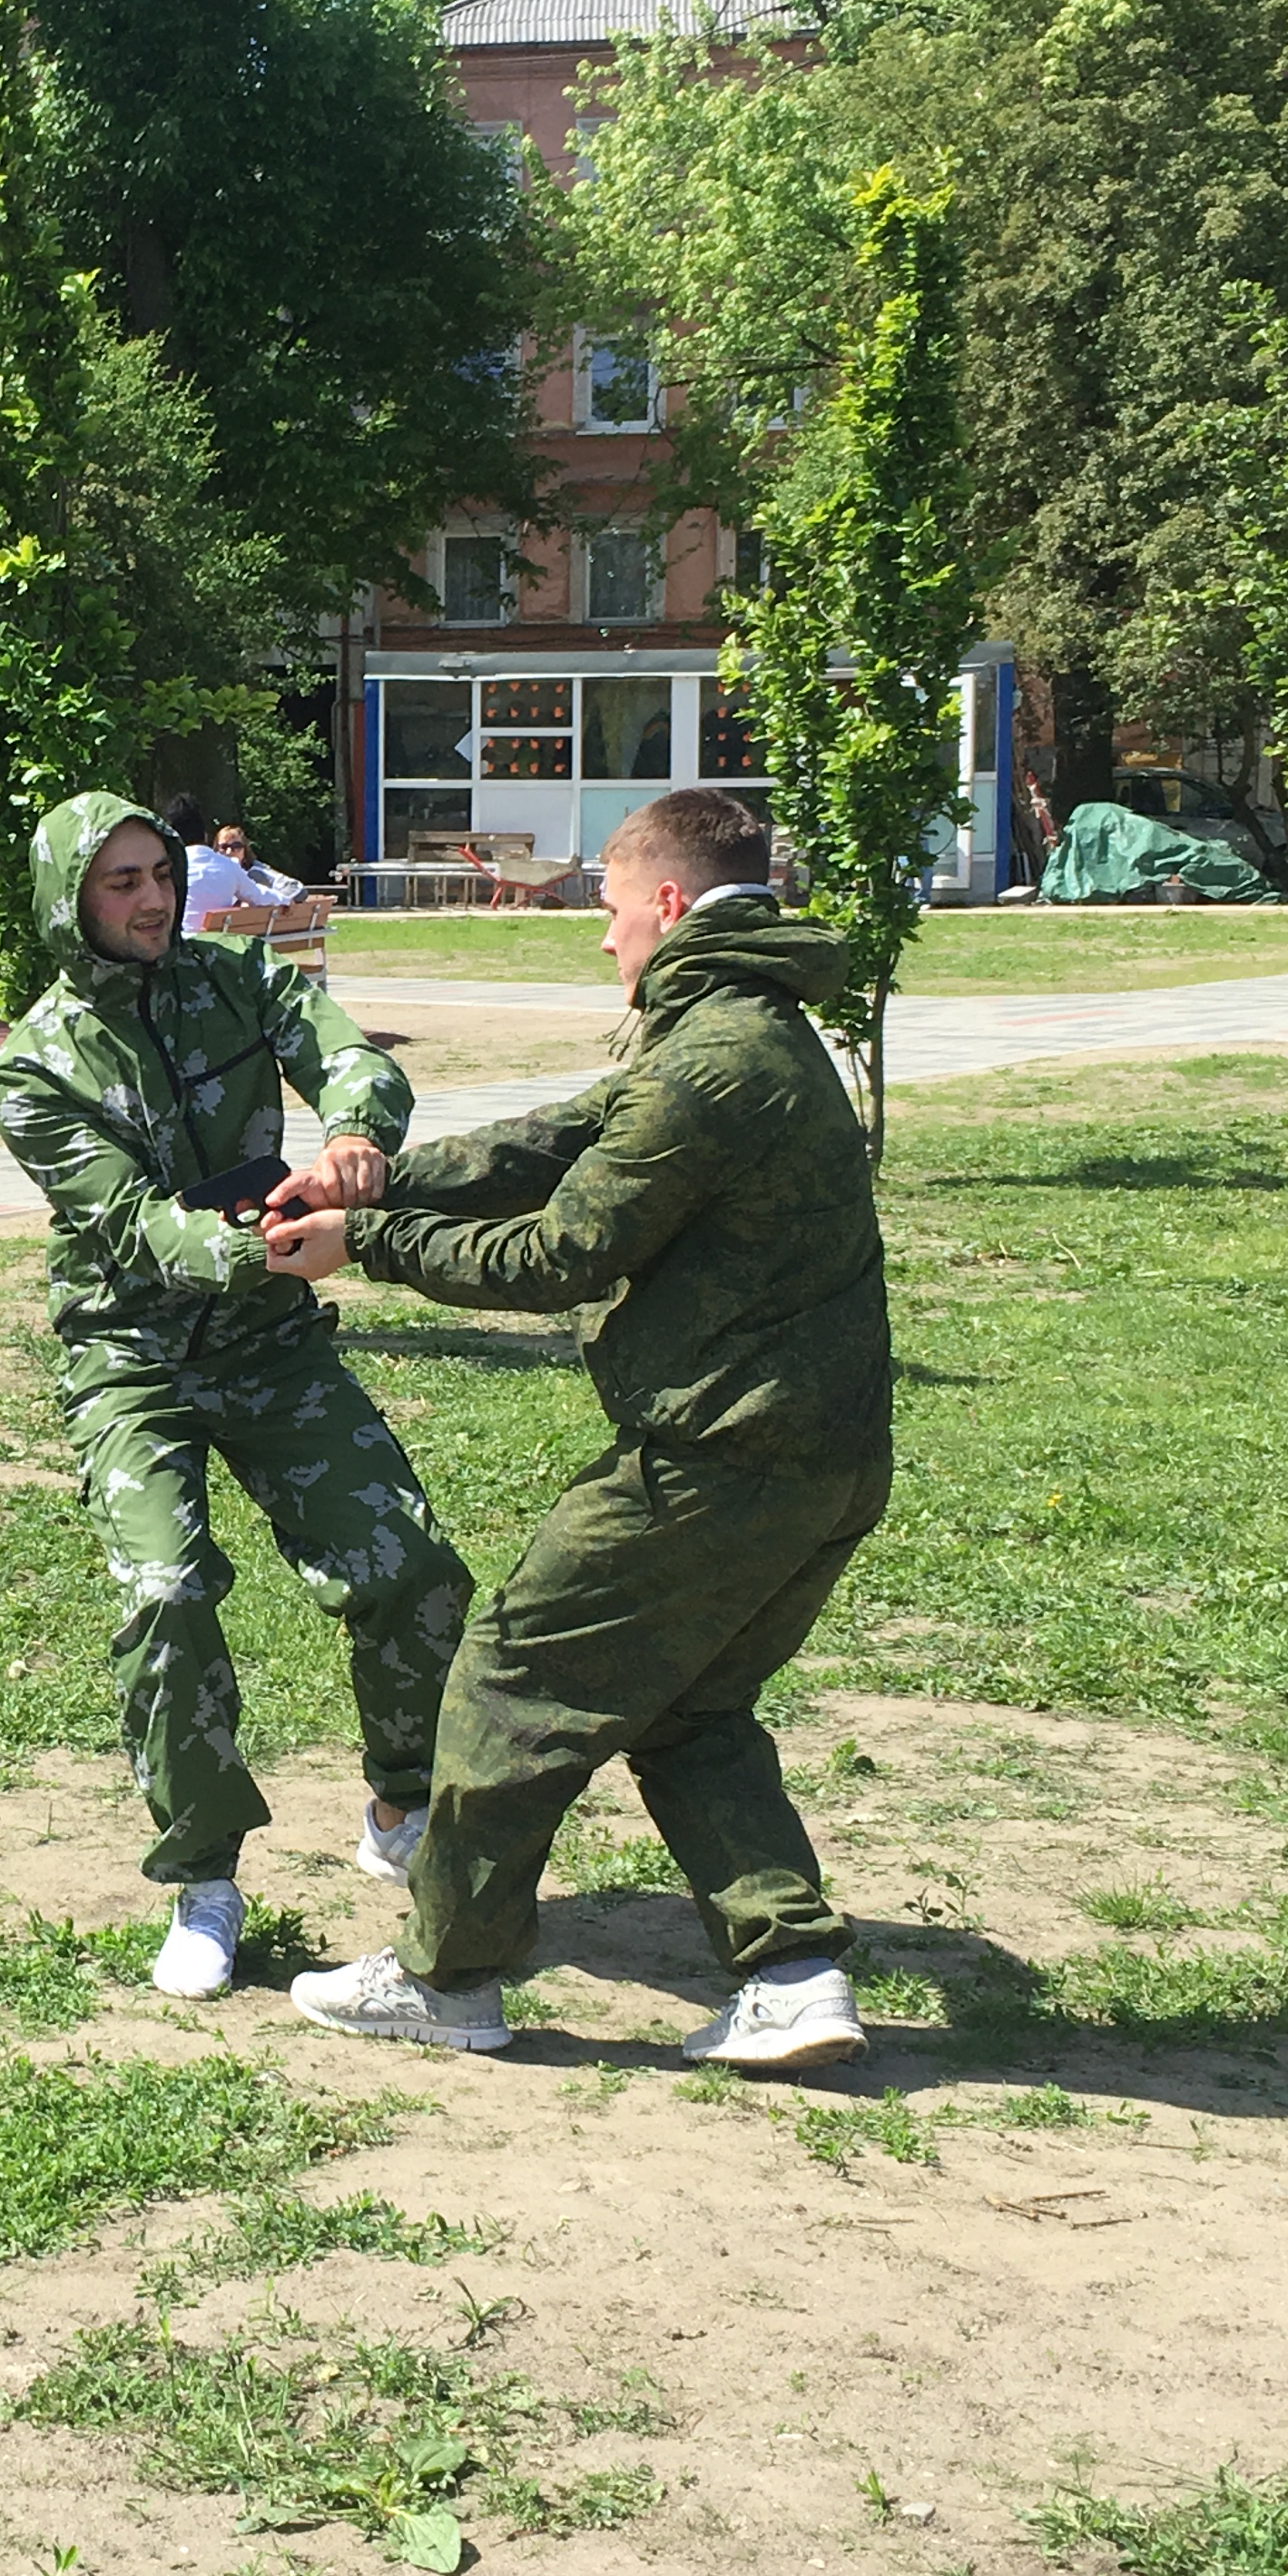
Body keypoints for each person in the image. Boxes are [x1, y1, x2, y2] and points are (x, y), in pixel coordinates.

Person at [259, 785, 886, 2069]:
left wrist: (367, 1243)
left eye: (609, 908)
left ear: (669, 902)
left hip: (718, 1458)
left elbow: (560, 1253)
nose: (603, 937)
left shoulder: (713, 1058)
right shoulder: (743, 1025)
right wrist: (376, 1177)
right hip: (825, 1457)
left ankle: (447, 1979)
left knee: (510, 1679)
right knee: (691, 1708)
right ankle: (792, 1975)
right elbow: (569, 1134)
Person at [0, 793, 474, 2003]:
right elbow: (129, 1224)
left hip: (271, 1348)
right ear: (69, 903)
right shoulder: (36, 1067)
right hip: (132, 1361)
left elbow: (351, 1054)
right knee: (167, 1597)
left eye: (159, 873)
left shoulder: (241, 980)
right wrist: (264, 1242)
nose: (152, 899)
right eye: (120, 884)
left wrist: (354, 1133)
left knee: (411, 1565)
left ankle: (402, 1805)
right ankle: (205, 1880)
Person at [183, 814, 314, 929]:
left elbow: (296, 888)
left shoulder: (256, 872)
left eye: (236, 846)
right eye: (224, 847)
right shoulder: (211, 872)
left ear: (245, 849)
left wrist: (281, 901)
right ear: (215, 849)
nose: (229, 852)